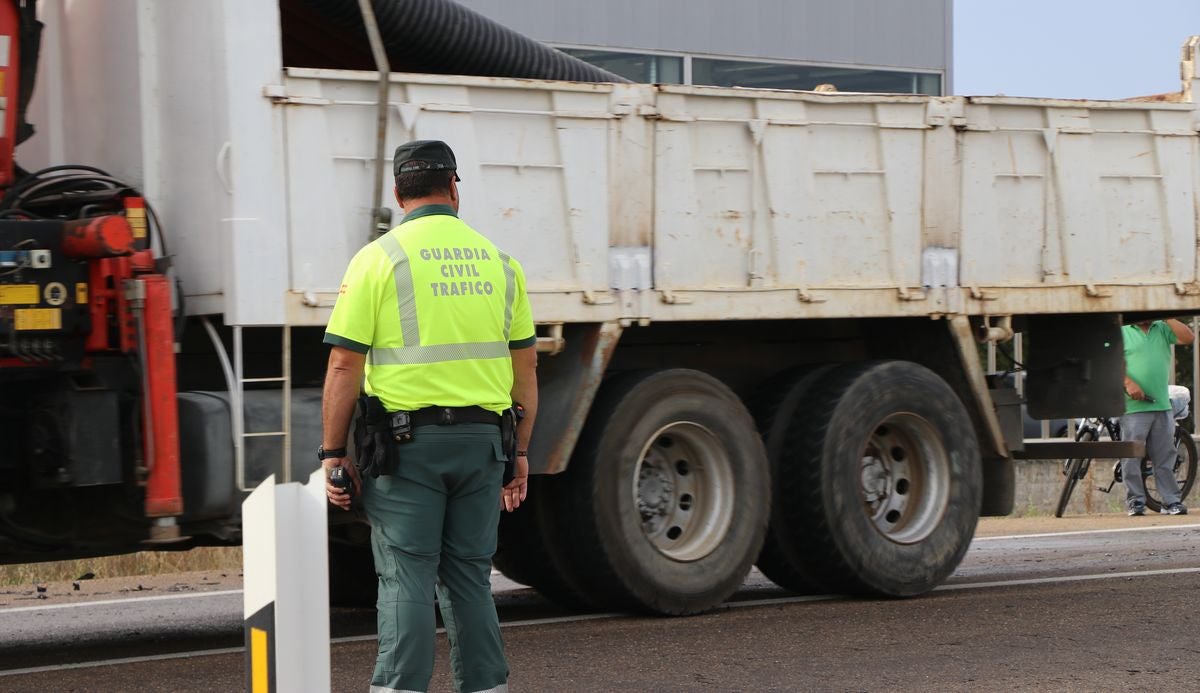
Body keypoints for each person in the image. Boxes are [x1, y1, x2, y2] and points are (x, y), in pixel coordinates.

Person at [320, 139, 538, 693]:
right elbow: (526, 370)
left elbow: (345, 364)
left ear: (398, 194)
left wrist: (333, 453)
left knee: (406, 577)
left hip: (407, 448)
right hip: (483, 444)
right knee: (469, 577)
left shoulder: (378, 259)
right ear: (454, 188)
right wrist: (520, 451)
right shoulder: (500, 263)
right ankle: (487, 688)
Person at [1120, 318, 1193, 516]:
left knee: (1164, 456)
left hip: (1161, 403)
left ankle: (1172, 501)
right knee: (1131, 456)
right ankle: (1135, 501)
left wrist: (1167, 316)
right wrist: (1128, 383)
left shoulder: (1162, 328)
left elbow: (1188, 337)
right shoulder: (1123, 330)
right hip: (1133, 407)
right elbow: (1110, 361)